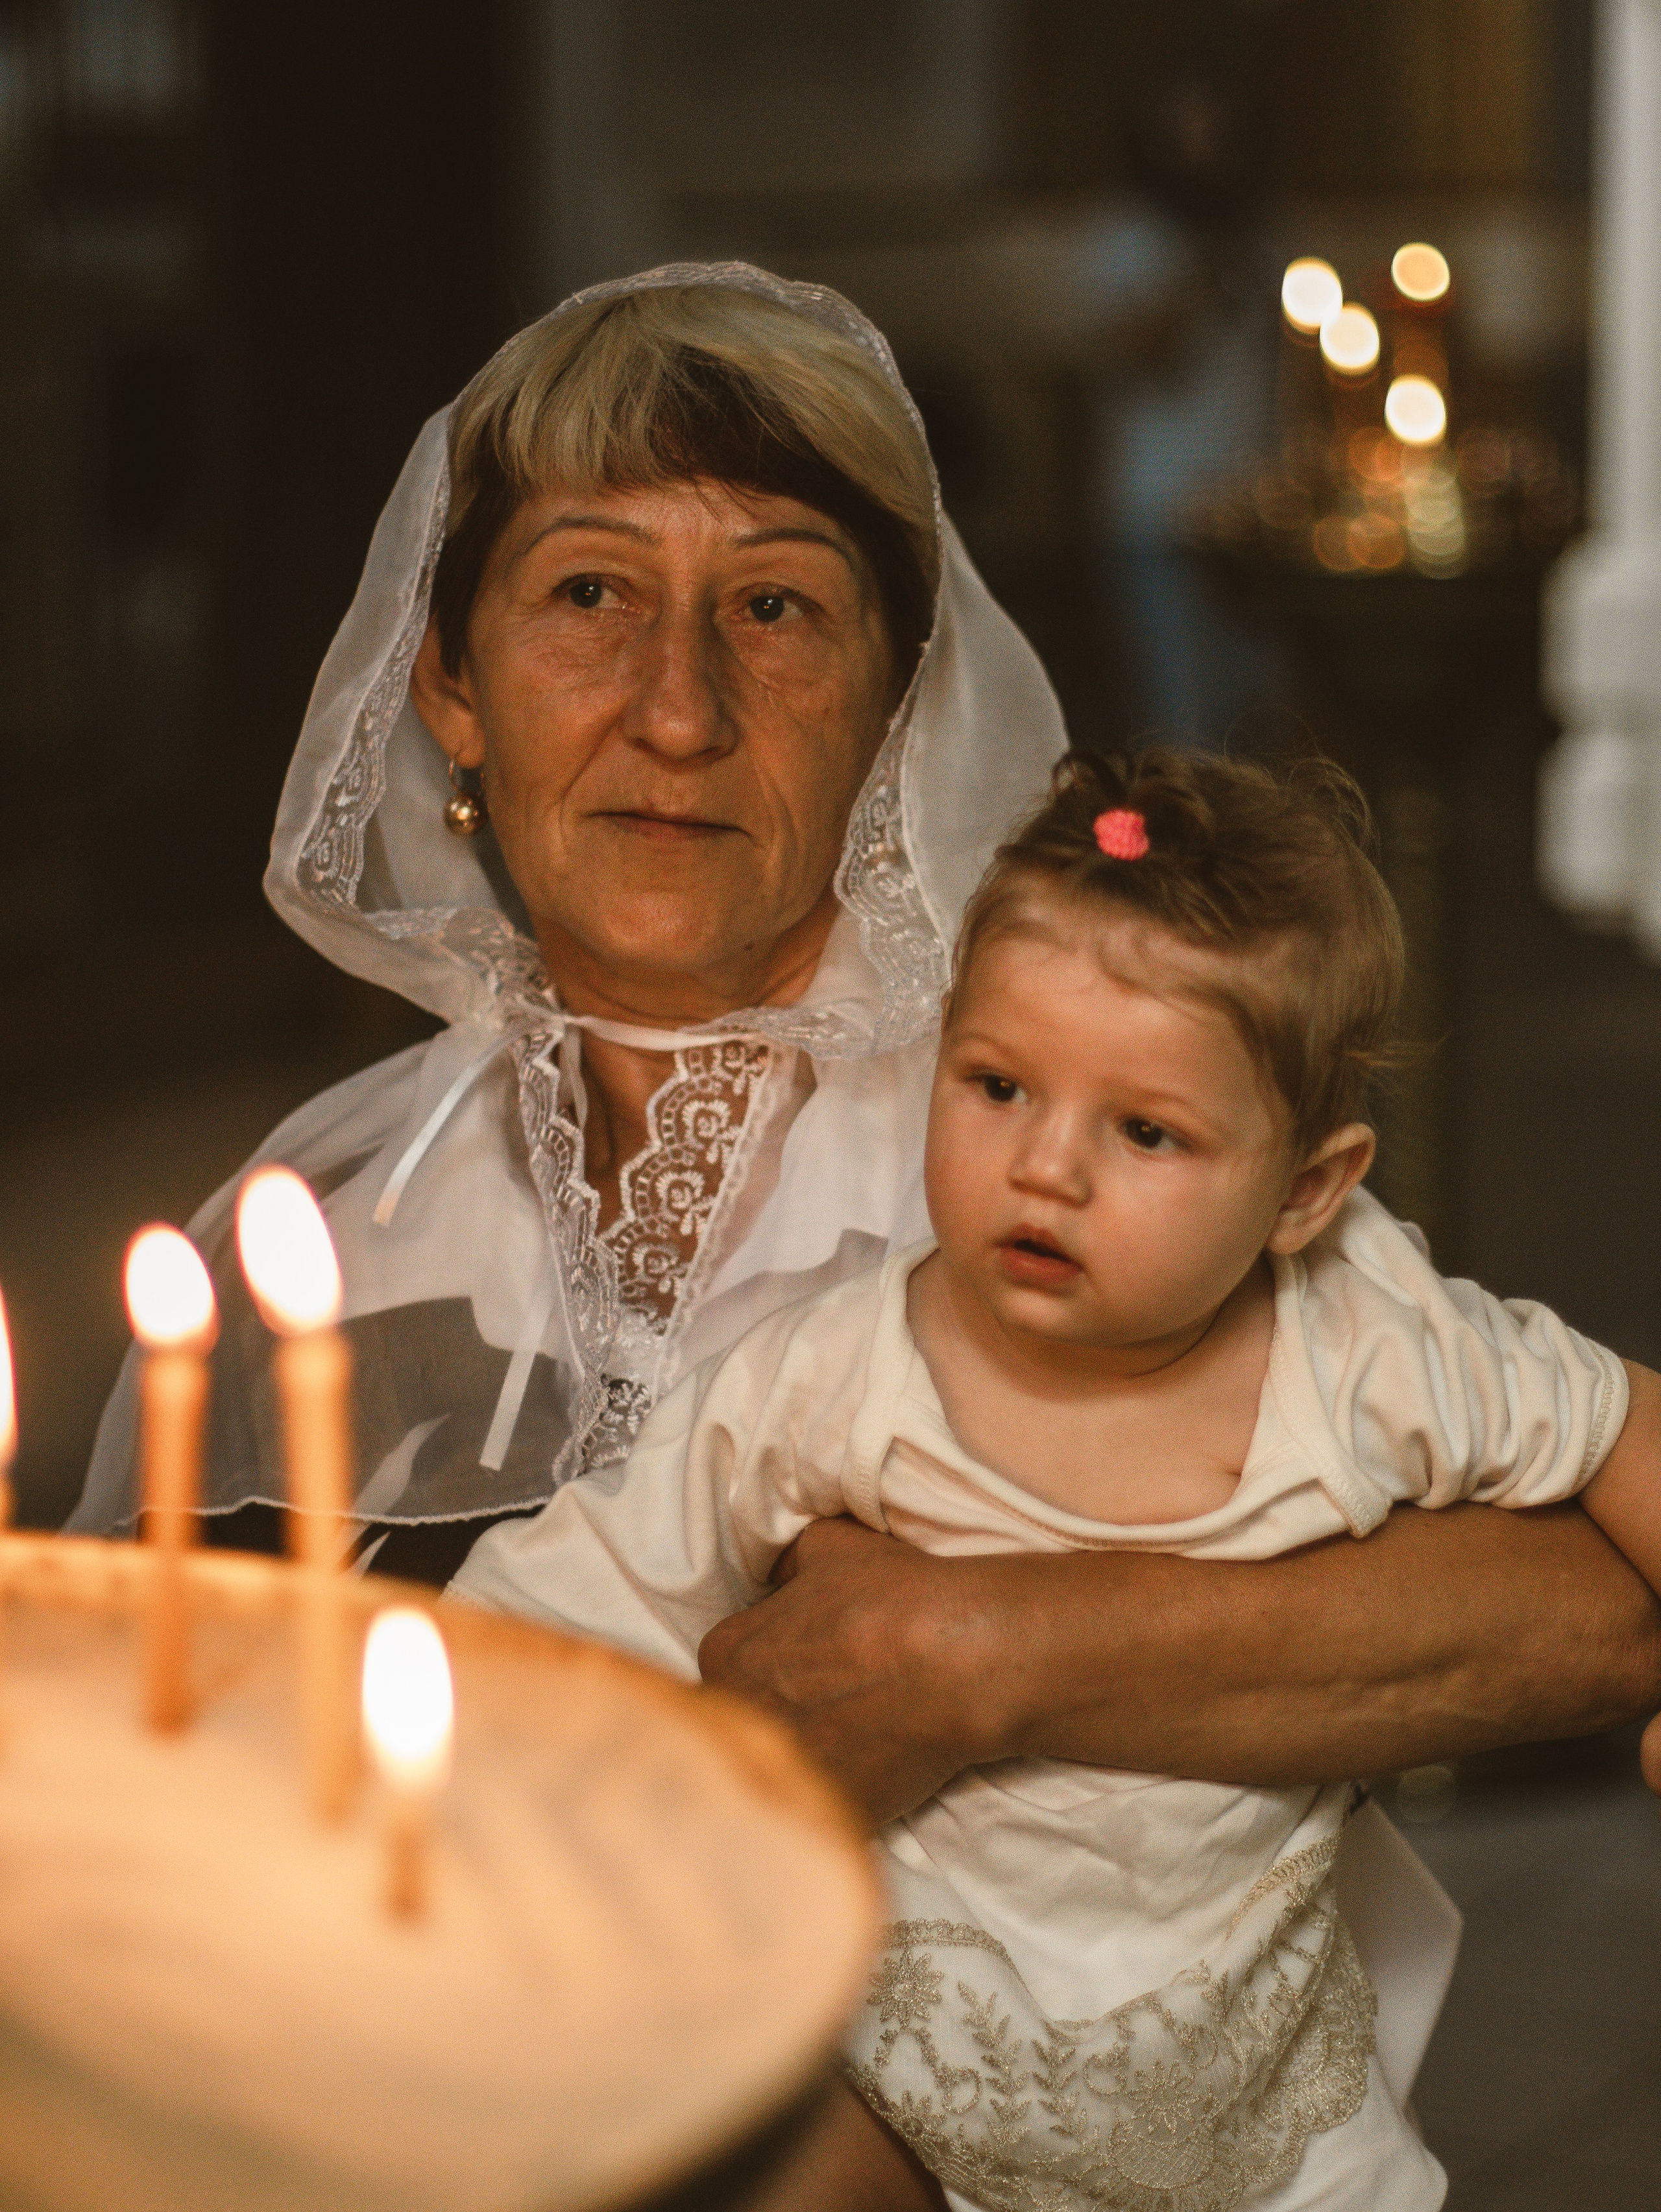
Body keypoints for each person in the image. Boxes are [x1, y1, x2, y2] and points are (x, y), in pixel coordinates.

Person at [69, 265, 1661, 2208]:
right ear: (451, 687)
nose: (678, 705)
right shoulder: (314, 1236)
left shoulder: (1070, 1135)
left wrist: (994, 1651)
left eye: (776, 607)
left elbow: (1585, 1596)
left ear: (900, 706)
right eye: (588, 593)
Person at [454, 746, 1661, 2210]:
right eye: (997, 1085)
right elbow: (548, 1611)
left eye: (1143, 1130)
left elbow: (1612, 1425)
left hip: (1275, 2154)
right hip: (898, 2100)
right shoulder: (832, 1379)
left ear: (1302, 1191)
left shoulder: (1362, 1345)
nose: (1046, 1168)